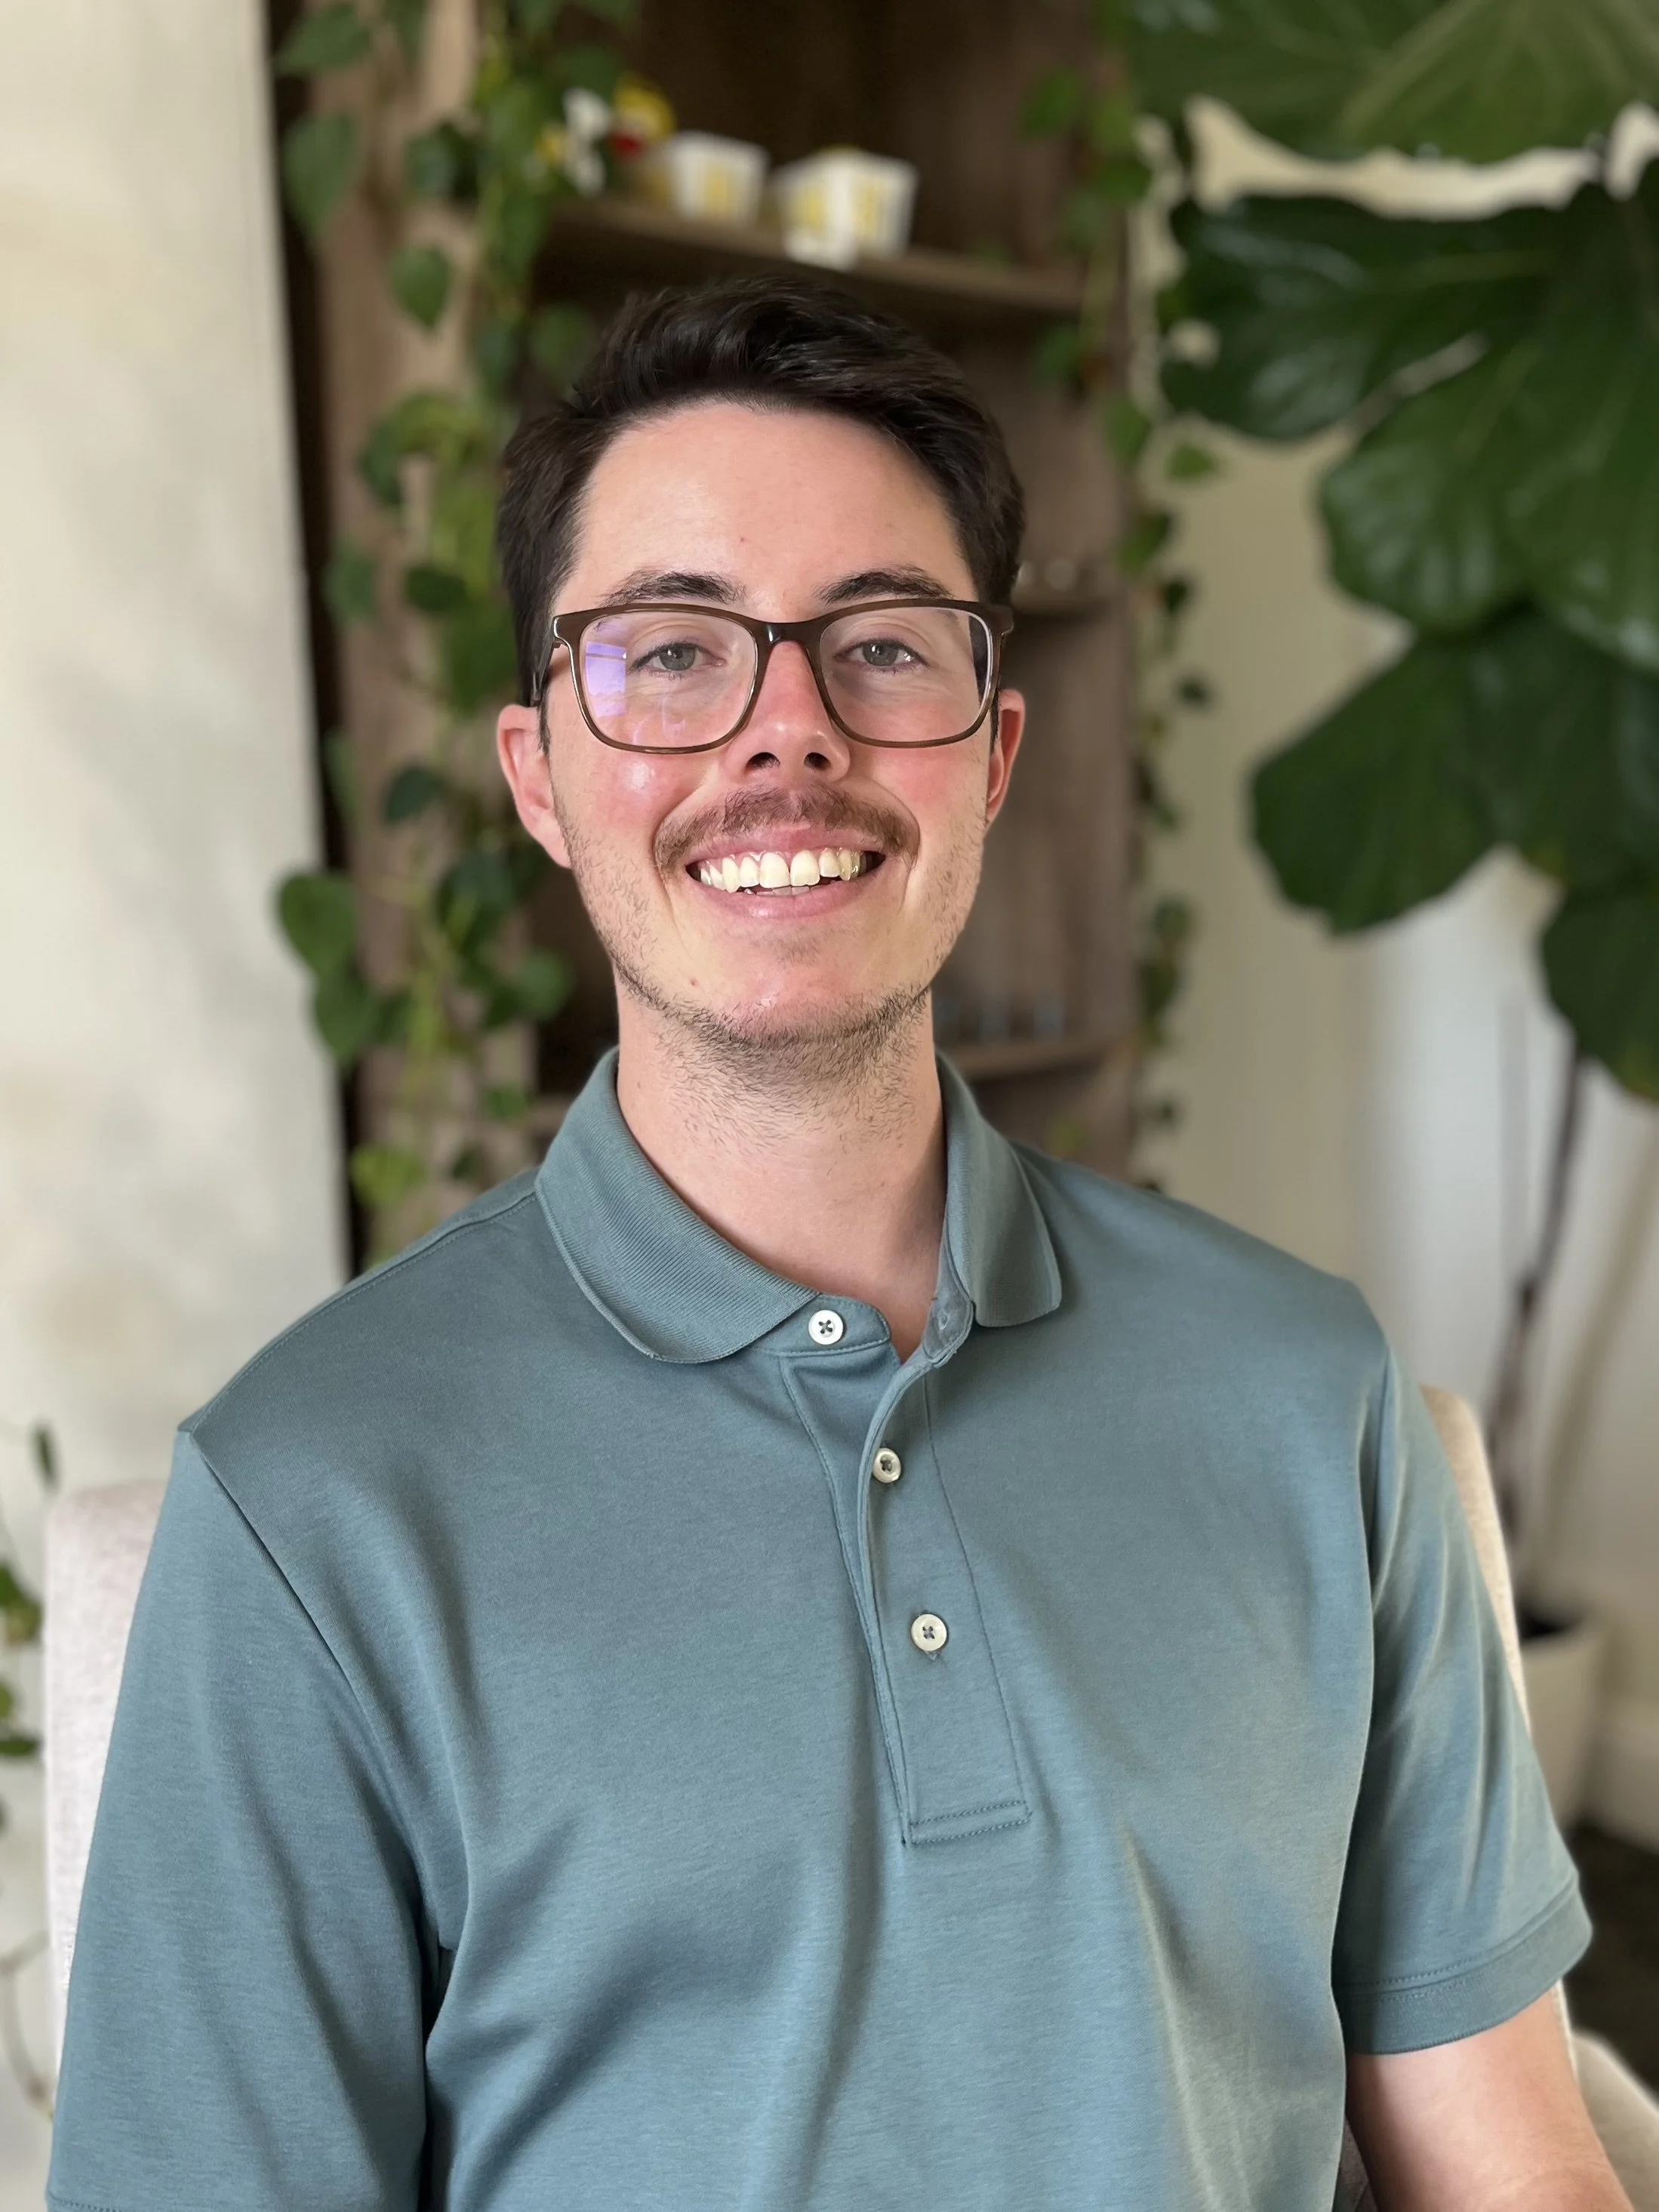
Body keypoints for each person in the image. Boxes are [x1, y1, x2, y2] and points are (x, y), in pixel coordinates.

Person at [49, 277, 1629, 2212]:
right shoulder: (309, 1504)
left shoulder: (1309, 1390)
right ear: (540, 776)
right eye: (671, 652)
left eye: (880, 647)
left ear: (994, 752)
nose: (787, 733)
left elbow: (1509, 2168)